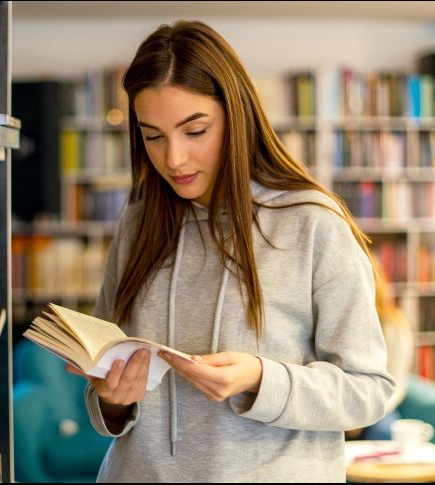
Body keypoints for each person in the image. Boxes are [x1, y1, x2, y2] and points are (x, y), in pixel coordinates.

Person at [66, 20, 395, 482]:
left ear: (236, 116)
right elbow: (107, 384)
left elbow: (368, 392)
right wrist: (112, 399)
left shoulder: (313, 222)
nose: (173, 158)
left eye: (195, 130)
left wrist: (261, 378)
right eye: (153, 135)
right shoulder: (139, 218)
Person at [346, 267, 415, 441]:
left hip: (378, 404)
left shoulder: (393, 325)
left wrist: (364, 417)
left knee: (383, 432)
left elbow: (396, 382)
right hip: (340, 403)